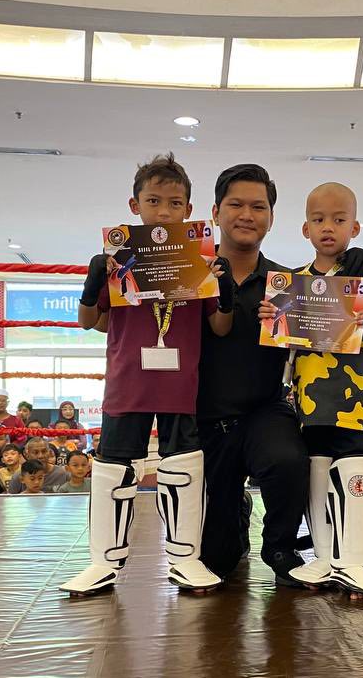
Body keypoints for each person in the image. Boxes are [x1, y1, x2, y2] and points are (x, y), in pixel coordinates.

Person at [58, 155, 237, 596]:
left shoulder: (199, 260)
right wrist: (92, 284)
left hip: (180, 383)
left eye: (174, 203)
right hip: (128, 382)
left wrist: (226, 292)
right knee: (113, 470)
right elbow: (90, 322)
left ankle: (185, 559)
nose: (163, 212)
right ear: (134, 205)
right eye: (153, 201)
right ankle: (102, 563)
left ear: (188, 209)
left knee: (183, 468)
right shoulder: (119, 258)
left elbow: (220, 327)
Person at [196, 164, 363, 588]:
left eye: (258, 207)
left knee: (290, 460)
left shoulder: (290, 284)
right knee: (218, 557)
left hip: (264, 408)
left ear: (272, 218)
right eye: (236, 204)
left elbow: (339, 316)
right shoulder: (195, 276)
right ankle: (236, 513)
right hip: (205, 416)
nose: (247, 215)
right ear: (216, 212)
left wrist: (356, 271)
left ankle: (279, 546)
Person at [273, 182, 363, 598]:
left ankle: (353, 562)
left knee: (356, 468)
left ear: (355, 227)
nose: (329, 227)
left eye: (339, 219)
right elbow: (280, 341)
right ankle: (325, 557)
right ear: (305, 228)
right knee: (317, 469)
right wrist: (271, 318)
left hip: (355, 398)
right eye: (319, 219)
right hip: (310, 400)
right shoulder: (292, 284)